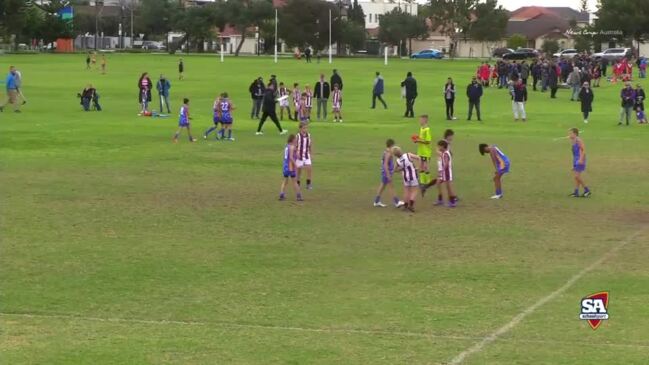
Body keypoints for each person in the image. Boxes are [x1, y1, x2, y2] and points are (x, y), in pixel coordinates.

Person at [374, 139, 404, 208]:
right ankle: (397, 202)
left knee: (382, 187)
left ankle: (376, 201)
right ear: (392, 145)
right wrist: (388, 174)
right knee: (391, 187)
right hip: (386, 172)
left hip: (385, 172)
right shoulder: (389, 153)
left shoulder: (386, 152)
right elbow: (385, 164)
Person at [393, 146, 421, 212]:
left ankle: (405, 205)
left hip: (405, 177)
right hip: (413, 175)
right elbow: (418, 157)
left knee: (406, 191)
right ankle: (411, 205)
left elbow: (395, 170)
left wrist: (401, 169)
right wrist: (418, 167)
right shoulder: (408, 155)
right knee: (414, 190)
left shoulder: (398, 161)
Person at [568, 128, 591, 197]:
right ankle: (576, 192)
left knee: (577, 176)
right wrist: (574, 164)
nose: (569, 135)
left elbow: (583, 150)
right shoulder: (573, 141)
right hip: (576, 159)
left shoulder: (578, 140)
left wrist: (581, 160)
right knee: (577, 177)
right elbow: (574, 152)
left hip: (580, 159)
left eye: (570, 133)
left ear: (575, 134)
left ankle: (587, 190)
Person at [279, 134, 303, 201]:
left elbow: (287, 156)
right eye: (295, 139)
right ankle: (299, 196)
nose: (296, 140)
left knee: (285, 181)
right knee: (294, 181)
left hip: (285, 166)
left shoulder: (286, 146)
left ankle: (281, 194)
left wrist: (297, 153)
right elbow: (291, 157)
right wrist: (296, 164)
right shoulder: (292, 147)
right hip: (291, 167)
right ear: (292, 139)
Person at [437, 140, 457, 208]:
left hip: (446, 172)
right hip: (446, 172)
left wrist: (442, 170)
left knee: (449, 187)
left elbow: (446, 163)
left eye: (439, 146)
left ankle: (453, 201)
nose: (439, 148)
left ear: (442, 146)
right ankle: (451, 200)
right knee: (446, 186)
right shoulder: (445, 152)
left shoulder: (445, 154)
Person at [413, 115, 432, 187]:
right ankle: (421, 182)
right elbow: (422, 139)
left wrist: (419, 140)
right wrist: (417, 139)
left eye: (421, 120)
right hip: (420, 151)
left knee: (425, 166)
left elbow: (428, 141)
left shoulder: (427, 130)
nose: (420, 121)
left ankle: (427, 182)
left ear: (425, 120)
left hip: (426, 152)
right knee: (420, 166)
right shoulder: (421, 128)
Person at [296, 122, 313, 189]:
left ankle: (308, 184)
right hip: (299, 156)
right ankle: (298, 183)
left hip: (306, 155)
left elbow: (310, 145)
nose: (305, 129)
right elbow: (295, 146)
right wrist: (296, 153)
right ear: (300, 129)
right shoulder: (297, 136)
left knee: (309, 168)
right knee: (299, 170)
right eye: (304, 128)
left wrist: (311, 153)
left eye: (306, 128)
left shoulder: (308, 135)